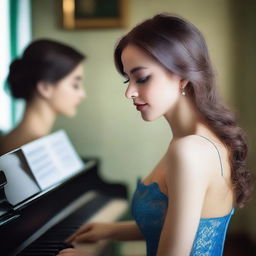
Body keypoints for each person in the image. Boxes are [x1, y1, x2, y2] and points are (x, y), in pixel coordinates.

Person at [57, 13, 253, 256]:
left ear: (182, 77)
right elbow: (180, 228)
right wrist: (111, 230)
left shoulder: (189, 151)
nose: (129, 92)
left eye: (141, 78)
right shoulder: (202, 140)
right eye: (128, 80)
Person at [0, 39, 86, 155]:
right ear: (45, 88)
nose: (83, 95)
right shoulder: (29, 150)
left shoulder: (9, 140)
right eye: (75, 85)